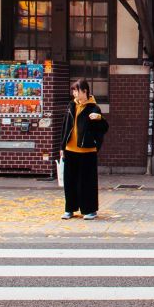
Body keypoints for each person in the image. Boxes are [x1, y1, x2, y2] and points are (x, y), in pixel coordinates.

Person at [59, 78, 108, 220]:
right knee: (70, 181)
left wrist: (99, 118)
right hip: (70, 149)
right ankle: (70, 209)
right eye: (73, 90)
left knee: (87, 182)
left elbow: (103, 129)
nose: (74, 93)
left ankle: (90, 210)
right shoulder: (71, 106)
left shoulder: (94, 108)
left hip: (87, 151)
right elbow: (65, 127)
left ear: (85, 91)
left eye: (76, 90)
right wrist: (62, 146)